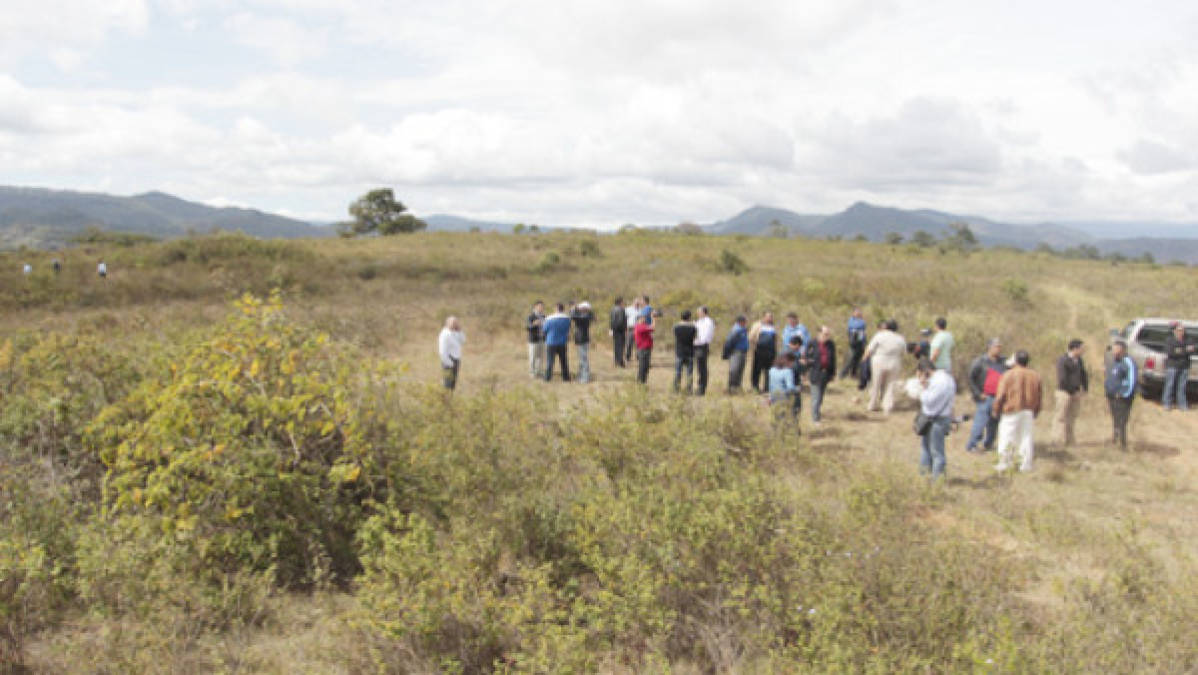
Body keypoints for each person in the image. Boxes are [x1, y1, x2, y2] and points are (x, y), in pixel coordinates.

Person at [993, 350, 1042, 473]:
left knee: (1007, 436)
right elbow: (1040, 395)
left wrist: (996, 409)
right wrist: (1036, 410)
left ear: (1015, 361)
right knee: (1026, 437)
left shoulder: (1008, 375)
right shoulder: (1035, 375)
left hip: (1011, 409)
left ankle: (1005, 463)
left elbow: (1001, 395)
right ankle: (1025, 464)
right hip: (1028, 410)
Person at [916, 358, 956, 480]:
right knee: (927, 448)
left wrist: (923, 387)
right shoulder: (948, 378)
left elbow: (928, 401)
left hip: (935, 420)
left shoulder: (938, 382)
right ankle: (924, 475)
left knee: (936, 452)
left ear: (925, 371)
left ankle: (936, 480)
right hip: (941, 417)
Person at [965, 338, 1006, 452]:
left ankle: (989, 443)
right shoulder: (980, 361)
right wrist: (978, 393)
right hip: (985, 397)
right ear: (990, 347)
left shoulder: (1003, 362)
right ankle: (972, 445)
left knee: (994, 422)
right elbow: (970, 378)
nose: (999, 349)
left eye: (1000, 347)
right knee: (980, 421)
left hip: (998, 397)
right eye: (996, 346)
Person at [863, 319, 906, 414]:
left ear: (886, 326)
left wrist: (864, 358)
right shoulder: (900, 338)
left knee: (876, 383)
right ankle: (887, 406)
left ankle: (872, 404)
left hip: (879, 360)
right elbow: (904, 352)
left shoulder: (880, 335)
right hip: (894, 361)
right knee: (890, 384)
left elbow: (870, 349)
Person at [1053, 339, 1089, 446]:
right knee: (1061, 416)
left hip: (1075, 392)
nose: (1083, 351)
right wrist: (1071, 390)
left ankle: (1069, 439)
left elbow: (1083, 374)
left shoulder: (1079, 360)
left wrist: (1084, 388)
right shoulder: (1063, 360)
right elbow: (1062, 378)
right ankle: (1057, 439)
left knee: (1072, 417)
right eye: (1081, 348)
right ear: (1075, 349)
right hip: (1064, 392)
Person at [1105, 340, 1137, 449]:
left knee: (1122, 420)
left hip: (1122, 397)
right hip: (1111, 395)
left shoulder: (1128, 362)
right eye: (1113, 349)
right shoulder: (1114, 361)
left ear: (1122, 350)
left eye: (1116, 349)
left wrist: (1123, 393)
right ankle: (1115, 438)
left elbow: (1132, 381)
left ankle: (1123, 444)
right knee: (1115, 418)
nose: (1113, 351)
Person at [805, 326, 837, 424]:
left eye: (828, 334)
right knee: (816, 396)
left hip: (826, 373)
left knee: (821, 396)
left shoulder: (831, 344)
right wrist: (808, 368)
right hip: (815, 372)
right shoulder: (812, 343)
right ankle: (815, 418)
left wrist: (832, 373)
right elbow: (806, 357)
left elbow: (833, 359)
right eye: (825, 334)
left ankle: (817, 412)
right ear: (819, 334)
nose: (826, 336)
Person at [1162, 322, 1194, 411]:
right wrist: (1185, 350)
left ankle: (1182, 405)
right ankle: (1167, 403)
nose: (1181, 332)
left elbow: (1192, 350)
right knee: (1170, 385)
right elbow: (1171, 352)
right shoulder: (1170, 340)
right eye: (1179, 330)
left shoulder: (1188, 339)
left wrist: (1180, 350)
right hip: (1172, 366)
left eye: (1182, 330)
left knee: (1182, 387)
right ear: (1175, 331)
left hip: (1184, 366)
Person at [768, 352, 799, 435]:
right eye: (792, 362)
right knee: (788, 417)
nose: (793, 365)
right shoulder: (788, 371)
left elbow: (770, 386)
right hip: (784, 397)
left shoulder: (772, 370)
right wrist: (798, 389)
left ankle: (775, 434)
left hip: (774, 396)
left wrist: (770, 397)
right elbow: (790, 387)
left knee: (775, 417)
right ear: (788, 361)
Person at [748, 312, 778, 393]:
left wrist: (775, 352)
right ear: (764, 317)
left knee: (769, 371)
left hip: (770, 352)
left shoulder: (773, 327)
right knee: (756, 370)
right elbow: (751, 337)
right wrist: (755, 346)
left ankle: (767, 388)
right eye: (768, 317)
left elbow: (775, 340)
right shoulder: (758, 325)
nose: (770, 318)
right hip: (759, 351)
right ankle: (755, 387)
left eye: (771, 317)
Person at [542, 303, 572, 382]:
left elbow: (544, 329)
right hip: (562, 342)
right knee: (563, 360)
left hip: (551, 342)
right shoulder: (567, 319)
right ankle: (566, 377)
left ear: (556, 309)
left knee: (550, 361)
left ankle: (548, 377)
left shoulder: (549, 319)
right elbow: (568, 329)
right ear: (563, 309)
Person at [723, 315, 749, 394]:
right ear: (741, 322)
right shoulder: (736, 330)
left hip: (743, 352)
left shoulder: (743, 329)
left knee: (740, 370)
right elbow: (729, 342)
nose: (746, 323)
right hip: (736, 352)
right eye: (745, 322)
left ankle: (737, 387)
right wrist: (726, 353)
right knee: (734, 370)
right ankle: (731, 388)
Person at [437, 316, 465, 391]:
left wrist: (460, 331)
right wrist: (450, 363)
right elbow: (442, 351)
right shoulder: (444, 334)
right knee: (447, 384)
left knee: (453, 384)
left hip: (456, 359)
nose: (454, 324)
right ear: (447, 323)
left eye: (456, 323)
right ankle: (445, 401)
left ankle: (450, 400)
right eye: (453, 323)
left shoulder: (455, 332)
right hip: (448, 361)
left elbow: (463, 341)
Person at [673, 310, 697, 393]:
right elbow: (694, 337)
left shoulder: (676, 327)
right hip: (690, 351)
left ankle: (676, 388)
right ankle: (689, 389)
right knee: (689, 373)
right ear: (689, 317)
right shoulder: (693, 328)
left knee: (678, 372)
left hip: (679, 351)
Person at [840, 307, 867, 380]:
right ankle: (842, 374)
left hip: (861, 342)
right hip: (853, 342)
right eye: (856, 312)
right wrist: (859, 324)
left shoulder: (862, 321)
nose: (858, 314)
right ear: (853, 313)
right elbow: (853, 326)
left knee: (858, 359)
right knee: (850, 359)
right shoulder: (851, 320)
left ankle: (854, 374)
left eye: (859, 312)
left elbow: (863, 326)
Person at [571, 301, 594, 383]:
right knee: (581, 359)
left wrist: (574, 309)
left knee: (583, 359)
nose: (579, 309)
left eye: (581, 308)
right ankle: (581, 375)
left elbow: (573, 317)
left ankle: (585, 377)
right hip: (581, 339)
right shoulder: (585, 315)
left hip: (582, 340)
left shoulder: (586, 316)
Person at [693, 306, 715, 396]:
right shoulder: (699, 322)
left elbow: (705, 336)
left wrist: (697, 341)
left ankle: (702, 388)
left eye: (699, 312)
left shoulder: (708, 322)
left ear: (704, 312)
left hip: (702, 346)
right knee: (699, 367)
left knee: (702, 367)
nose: (697, 313)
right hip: (697, 345)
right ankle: (699, 387)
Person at [526, 301, 546, 377]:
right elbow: (527, 327)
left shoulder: (544, 316)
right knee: (533, 357)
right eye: (540, 306)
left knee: (540, 357)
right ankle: (532, 372)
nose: (541, 308)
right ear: (535, 307)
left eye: (542, 306)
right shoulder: (531, 317)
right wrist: (534, 324)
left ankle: (539, 371)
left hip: (542, 339)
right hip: (533, 340)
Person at [634, 314, 654, 384]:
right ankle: (641, 381)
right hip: (643, 349)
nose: (644, 319)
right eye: (643, 318)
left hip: (645, 348)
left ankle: (642, 381)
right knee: (643, 366)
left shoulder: (642, 326)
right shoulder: (639, 326)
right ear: (638, 320)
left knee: (645, 366)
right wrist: (654, 319)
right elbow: (652, 328)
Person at [609, 298, 627, 368]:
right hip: (620, 330)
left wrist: (611, 329)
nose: (623, 303)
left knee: (616, 345)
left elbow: (611, 320)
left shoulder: (612, 309)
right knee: (621, 346)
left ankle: (616, 361)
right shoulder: (621, 310)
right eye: (623, 302)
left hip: (614, 329)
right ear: (620, 303)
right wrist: (624, 329)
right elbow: (621, 321)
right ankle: (620, 362)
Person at [624, 298, 640, 364]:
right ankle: (628, 357)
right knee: (629, 343)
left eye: (638, 304)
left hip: (638, 328)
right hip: (630, 328)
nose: (637, 304)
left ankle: (638, 357)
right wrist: (625, 328)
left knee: (638, 343)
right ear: (633, 303)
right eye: (636, 303)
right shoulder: (628, 309)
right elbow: (624, 318)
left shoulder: (640, 310)